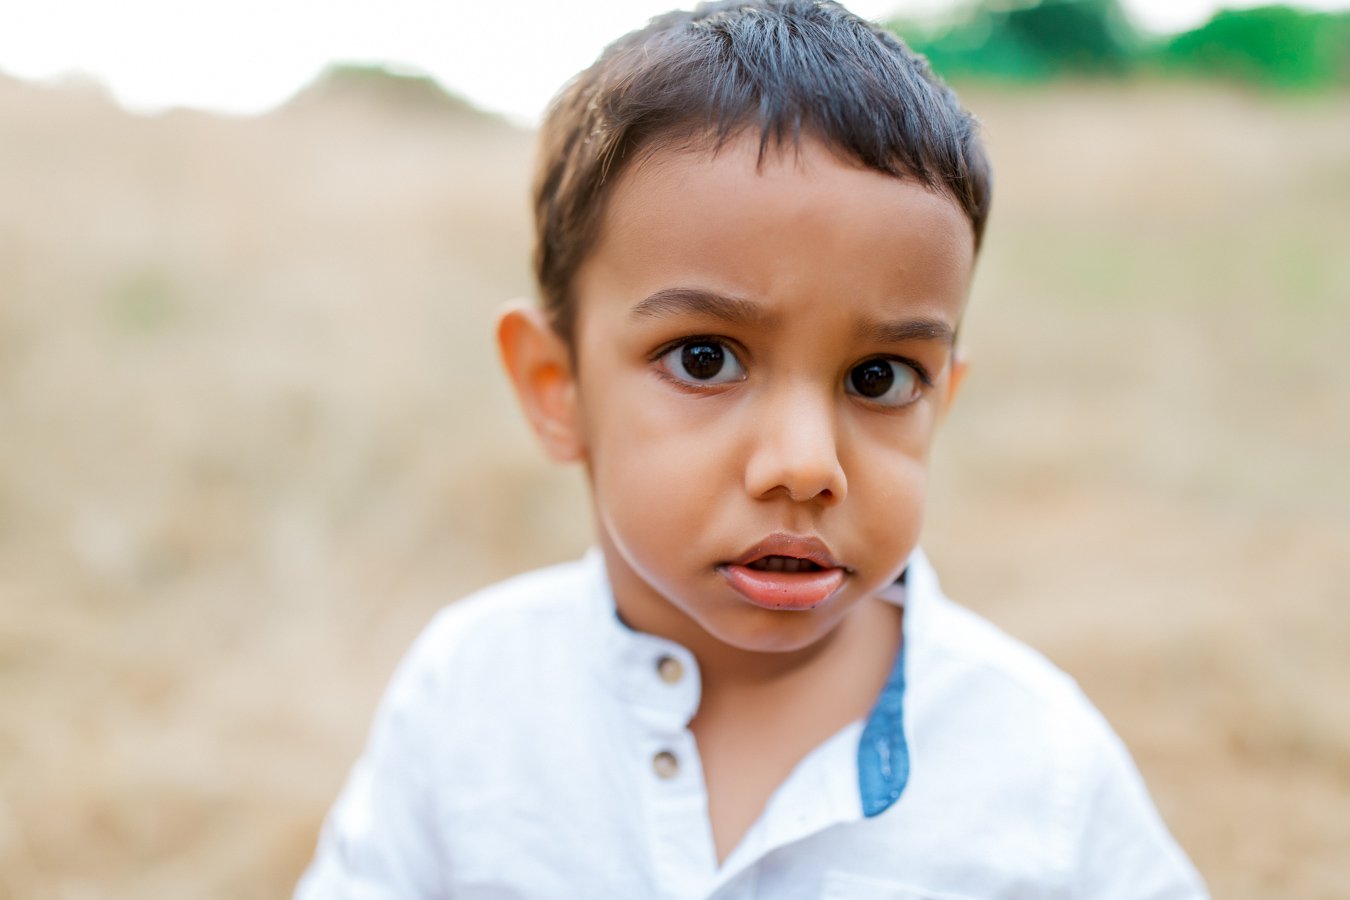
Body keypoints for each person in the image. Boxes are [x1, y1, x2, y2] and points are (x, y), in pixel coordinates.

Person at [296, 1, 1208, 896]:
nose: (808, 465)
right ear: (555, 386)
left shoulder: (1037, 761)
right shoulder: (472, 697)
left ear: (943, 403)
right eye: (705, 359)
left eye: (882, 378)